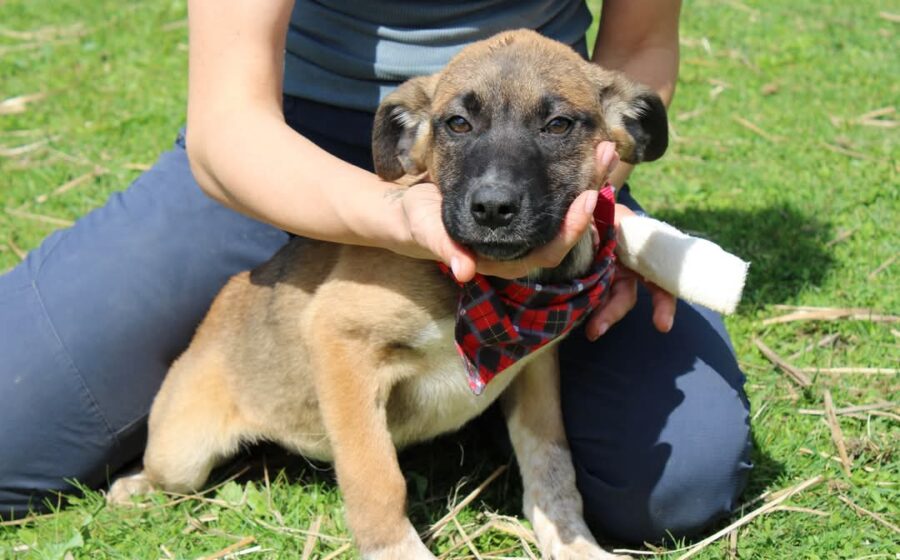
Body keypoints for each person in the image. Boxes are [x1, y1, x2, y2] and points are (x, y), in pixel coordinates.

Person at [0, 0, 751, 544]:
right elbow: (227, 124)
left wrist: (600, 200)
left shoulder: (580, 131)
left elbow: (640, 46)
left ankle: (471, 401)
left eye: (560, 122)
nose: (494, 195)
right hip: (270, 151)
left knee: (682, 479)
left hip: (541, 174)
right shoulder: (406, 144)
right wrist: (394, 213)